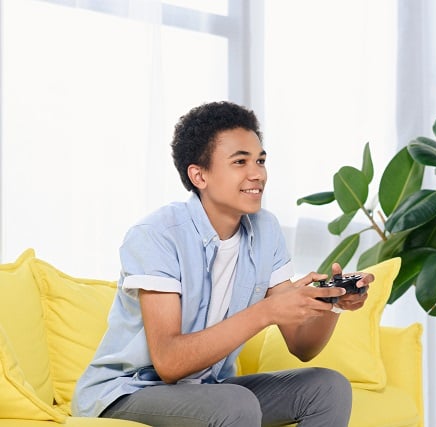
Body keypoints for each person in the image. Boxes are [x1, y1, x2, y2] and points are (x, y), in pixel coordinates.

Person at [71, 100, 375, 427]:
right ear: (199, 175)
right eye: (240, 162)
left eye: (260, 160)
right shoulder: (157, 235)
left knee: (327, 387)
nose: (257, 173)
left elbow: (302, 346)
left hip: (207, 390)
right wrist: (265, 311)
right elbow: (169, 363)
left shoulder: (265, 230)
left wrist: (332, 305)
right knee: (233, 402)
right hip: (129, 391)